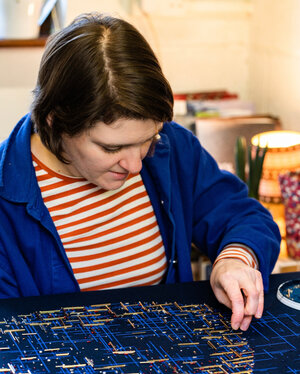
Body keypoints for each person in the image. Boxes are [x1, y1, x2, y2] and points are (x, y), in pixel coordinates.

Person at [0, 12, 280, 332]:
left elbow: (246, 217)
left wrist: (236, 258)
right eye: (111, 148)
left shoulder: (172, 148)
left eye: (149, 139)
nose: (135, 166)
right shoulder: (5, 198)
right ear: (55, 123)